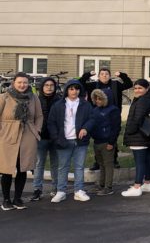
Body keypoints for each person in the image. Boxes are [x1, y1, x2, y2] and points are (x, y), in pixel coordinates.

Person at [0, 73, 42, 210]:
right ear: (14, 83)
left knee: (22, 168)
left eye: (25, 82)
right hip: (8, 136)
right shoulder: (4, 97)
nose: (22, 85)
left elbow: (39, 116)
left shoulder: (33, 97)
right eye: (19, 82)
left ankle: (17, 199)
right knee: (6, 169)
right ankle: (6, 200)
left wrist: (37, 130)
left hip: (28, 135)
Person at [47, 80, 93, 203]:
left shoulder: (85, 104)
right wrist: (56, 137)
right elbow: (51, 122)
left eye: (77, 89)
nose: (74, 91)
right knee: (63, 167)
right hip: (63, 140)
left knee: (79, 166)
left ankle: (79, 190)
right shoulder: (58, 105)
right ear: (67, 90)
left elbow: (92, 119)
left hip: (80, 141)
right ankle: (61, 191)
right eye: (71, 89)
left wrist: (85, 128)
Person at [80, 67, 132, 170]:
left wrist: (121, 75)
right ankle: (98, 162)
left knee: (112, 137)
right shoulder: (94, 85)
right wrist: (88, 74)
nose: (104, 76)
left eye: (107, 74)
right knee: (98, 139)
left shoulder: (115, 84)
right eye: (102, 74)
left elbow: (129, 84)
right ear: (99, 76)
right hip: (98, 115)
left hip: (113, 114)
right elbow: (81, 83)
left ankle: (114, 160)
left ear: (110, 76)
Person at [121, 79, 150, 197]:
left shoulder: (142, 101)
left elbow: (137, 119)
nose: (137, 90)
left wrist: (130, 131)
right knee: (146, 160)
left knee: (140, 162)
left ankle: (137, 186)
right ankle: (147, 183)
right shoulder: (147, 99)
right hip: (145, 136)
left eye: (140, 88)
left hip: (138, 136)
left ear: (147, 89)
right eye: (135, 88)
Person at [30, 77, 61, 202]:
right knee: (39, 164)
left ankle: (56, 188)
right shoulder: (36, 100)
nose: (49, 87)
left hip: (55, 137)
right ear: (42, 87)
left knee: (55, 164)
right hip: (41, 137)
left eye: (51, 85)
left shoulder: (59, 100)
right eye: (46, 85)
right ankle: (37, 189)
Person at [88, 90, 120, 196]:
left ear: (106, 99)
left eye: (100, 99)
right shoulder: (95, 110)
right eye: (96, 98)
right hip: (97, 141)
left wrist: (111, 142)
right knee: (101, 164)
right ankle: (101, 185)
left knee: (108, 164)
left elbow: (116, 127)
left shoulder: (113, 110)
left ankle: (108, 187)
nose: (97, 101)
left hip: (107, 142)